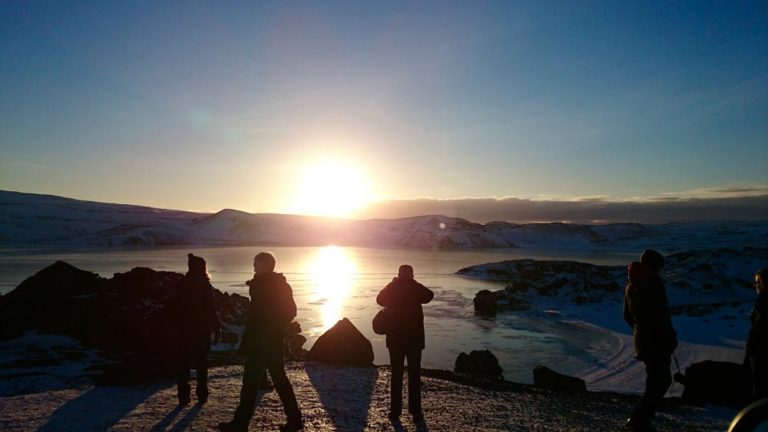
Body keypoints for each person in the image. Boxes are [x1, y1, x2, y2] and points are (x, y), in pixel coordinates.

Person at [219, 252, 303, 432]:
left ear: (265, 265)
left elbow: (289, 311)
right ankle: (293, 419)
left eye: (256, 263)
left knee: (254, 383)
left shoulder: (271, 286)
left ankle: (241, 423)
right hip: (266, 341)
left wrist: (273, 328)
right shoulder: (272, 285)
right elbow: (288, 312)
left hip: (264, 342)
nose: (253, 267)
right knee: (273, 381)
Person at [623, 249, 678, 432]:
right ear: (654, 267)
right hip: (657, 341)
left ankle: (642, 418)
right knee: (661, 381)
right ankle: (639, 419)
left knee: (655, 380)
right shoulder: (653, 285)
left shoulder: (631, 285)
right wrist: (668, 338)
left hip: (644, 340)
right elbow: (661, 316)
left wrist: (640, 331)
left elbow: (627, 316)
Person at [376, 264, 434, 430]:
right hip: (414, 340)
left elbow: (379, 299)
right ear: (412, 275)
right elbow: (429, 295)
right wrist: (412, 283)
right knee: (414, 376)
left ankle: (395, 412)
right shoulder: (415, 288)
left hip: (395, 341)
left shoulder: (393, 287)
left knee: (396, 375)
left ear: (398, 274)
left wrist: (393, 283)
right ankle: (416, 413)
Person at [168, 253, 221, 406]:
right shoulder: (205, 285)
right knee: (201, 365)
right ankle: (202, 395)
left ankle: (183, 397)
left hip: (184, 331)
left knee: (183, 365)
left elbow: (173, 308)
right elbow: (211, 309)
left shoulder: (182, 285)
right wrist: (216, 327)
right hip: (201, 331)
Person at [746, 269, 768, 399]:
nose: (756, 286)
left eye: (758, 282)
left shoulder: (764, 304)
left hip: (762, 358)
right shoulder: (761, 303)